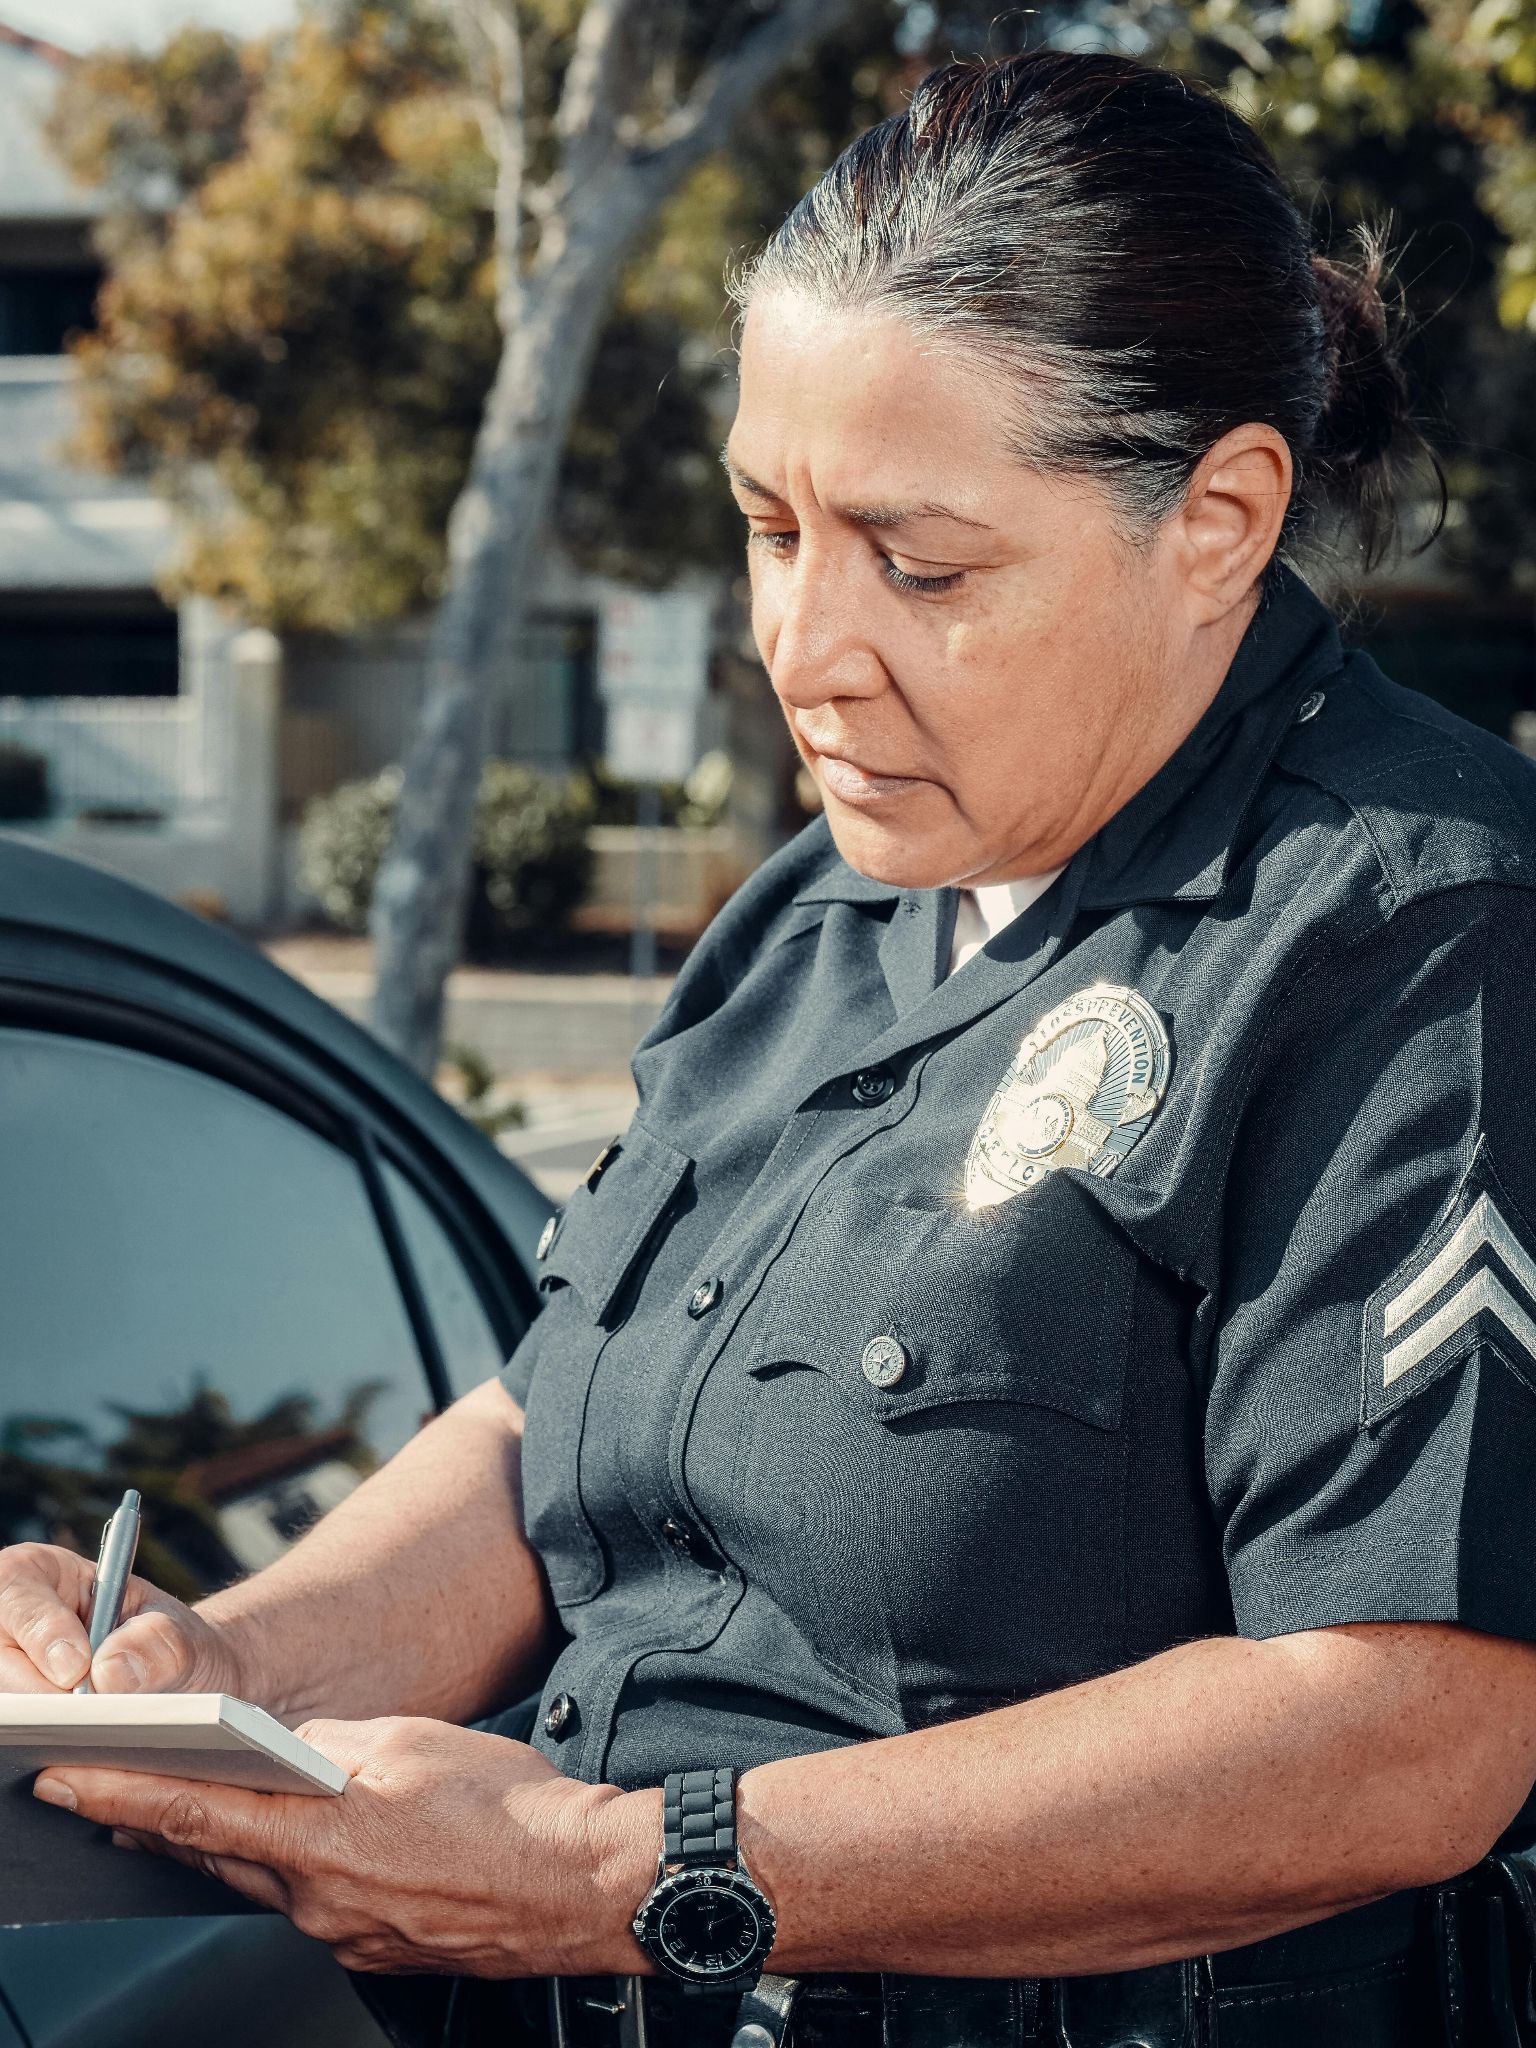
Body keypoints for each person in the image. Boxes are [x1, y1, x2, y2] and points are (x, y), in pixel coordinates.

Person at [7, 43, 1536, 2048]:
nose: (804, 647)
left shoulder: (1418, 933)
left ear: (1222, 518)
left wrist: (621, 1871)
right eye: (770, 527)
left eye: (921, 562)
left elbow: (1412, 1720)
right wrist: (211, 1673)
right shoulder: (822, 903)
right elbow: (556, 1429)